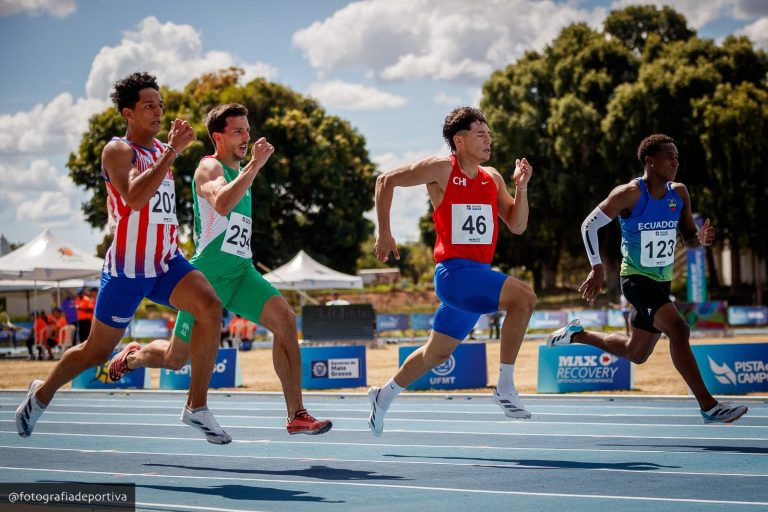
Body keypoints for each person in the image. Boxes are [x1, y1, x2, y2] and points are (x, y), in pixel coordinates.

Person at [15, 72, 227, 443]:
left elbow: (159, 208)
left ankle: (196, 406)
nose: (158, 111)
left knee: (210, 307)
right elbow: (132, 197)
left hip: (166, 262)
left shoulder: (161, 150)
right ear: (128, 113)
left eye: (160, 105)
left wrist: (169, 154)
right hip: (128, 270)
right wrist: (172, 152)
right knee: (95, 352)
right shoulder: (118, 150)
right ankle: (41, 395)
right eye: (149, 106)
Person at [108, 103, 331, 435]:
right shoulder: (207, 169)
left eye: (247, 130)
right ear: (218, 137)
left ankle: (296, 414)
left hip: (241, 273)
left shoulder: (243, 171)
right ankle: (131, 358)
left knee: (285, 320)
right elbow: (223, 203)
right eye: (238, 131)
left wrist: (250, 168)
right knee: (174, 358)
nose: (246, 137)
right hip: (207, 278)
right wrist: (255, 164)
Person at [547, 134, 748, 424]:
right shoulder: (629, 194)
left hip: (661, 282)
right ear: (650, 161)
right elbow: (588, 225)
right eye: (669, 157)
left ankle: (576, 335)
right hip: (636, 280)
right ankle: (709, 406)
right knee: (678, 330)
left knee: (636, 352)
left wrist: (700, 239)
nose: (675, 163)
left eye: (677, 157)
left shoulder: (679, 194)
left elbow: (689, 238)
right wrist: (597, 266)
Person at [368, 106, 536, 436]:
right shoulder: (442, 169)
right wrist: (384, 232)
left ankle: (383, 395)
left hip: (474, 278)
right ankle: (504, 386)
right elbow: (385, 181)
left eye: (489, 134)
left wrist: (522, 187)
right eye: (480, 135)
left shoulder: (493, 178)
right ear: (459, 141)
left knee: (435, 353)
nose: (488, 140)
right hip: (454, 274)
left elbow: (517, 225)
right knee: (525, 298)